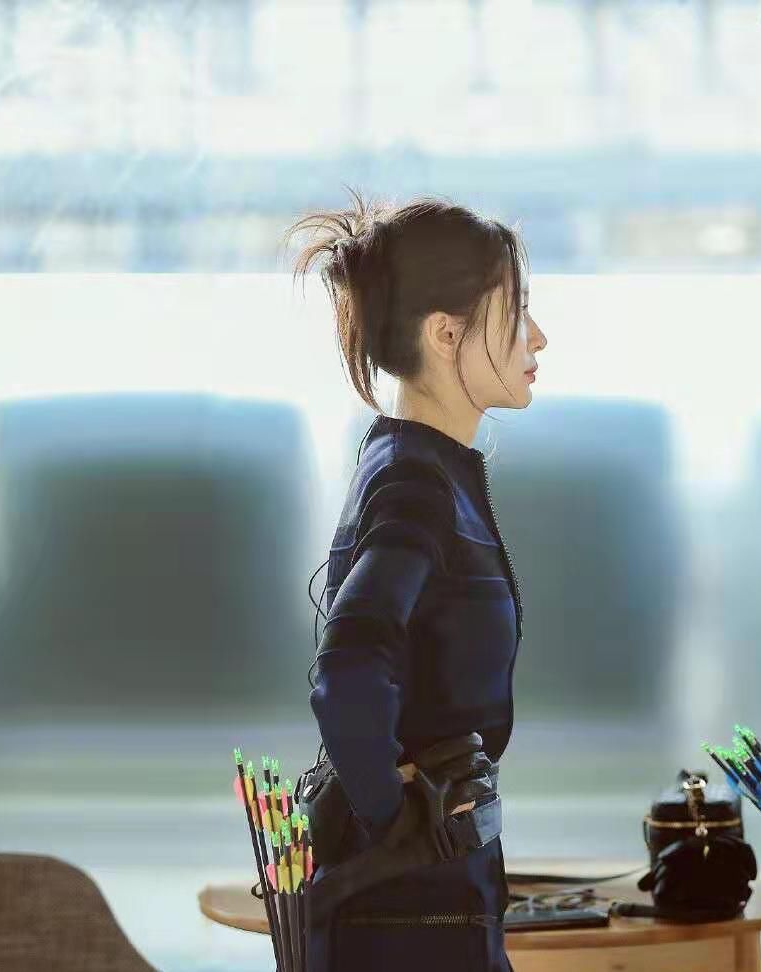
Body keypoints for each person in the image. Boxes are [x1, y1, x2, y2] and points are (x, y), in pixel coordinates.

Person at [286, 191, 547, 971]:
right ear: (445, 333)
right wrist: (398, 823)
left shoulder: (420, 466)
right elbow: (346, 671)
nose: (538, 336)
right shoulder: (414, 483)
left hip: (443, 894)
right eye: (516, 313)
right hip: (408, 918)